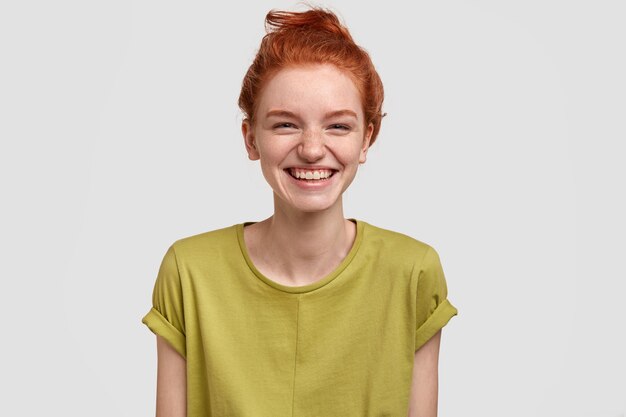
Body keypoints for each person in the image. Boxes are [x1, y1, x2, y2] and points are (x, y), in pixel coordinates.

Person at [142, 6, 458, 417]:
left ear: (367, 138)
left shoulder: (413, 272)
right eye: (286, 125)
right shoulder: (189, 272)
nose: (311, 148)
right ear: (251, 139)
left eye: (338, 126)